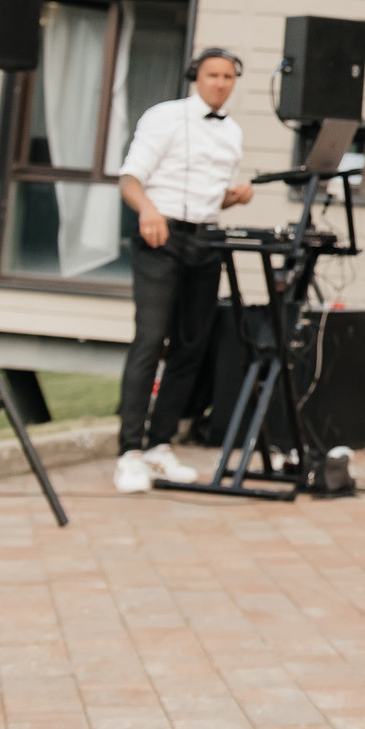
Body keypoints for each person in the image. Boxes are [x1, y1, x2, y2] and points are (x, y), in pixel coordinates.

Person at [113, 47, 254, 491]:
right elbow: (130, 179)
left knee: (191, 346)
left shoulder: (232, 132)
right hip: (161, 237)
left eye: (228, 77)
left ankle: (159, 445)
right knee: (150, 339)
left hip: (206, 240)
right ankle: (129, 452)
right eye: (213, 75)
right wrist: (148, 210)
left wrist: (235, 197)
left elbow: (213, 197)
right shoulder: (164, 117)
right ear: (196, 76)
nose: (220, 83)